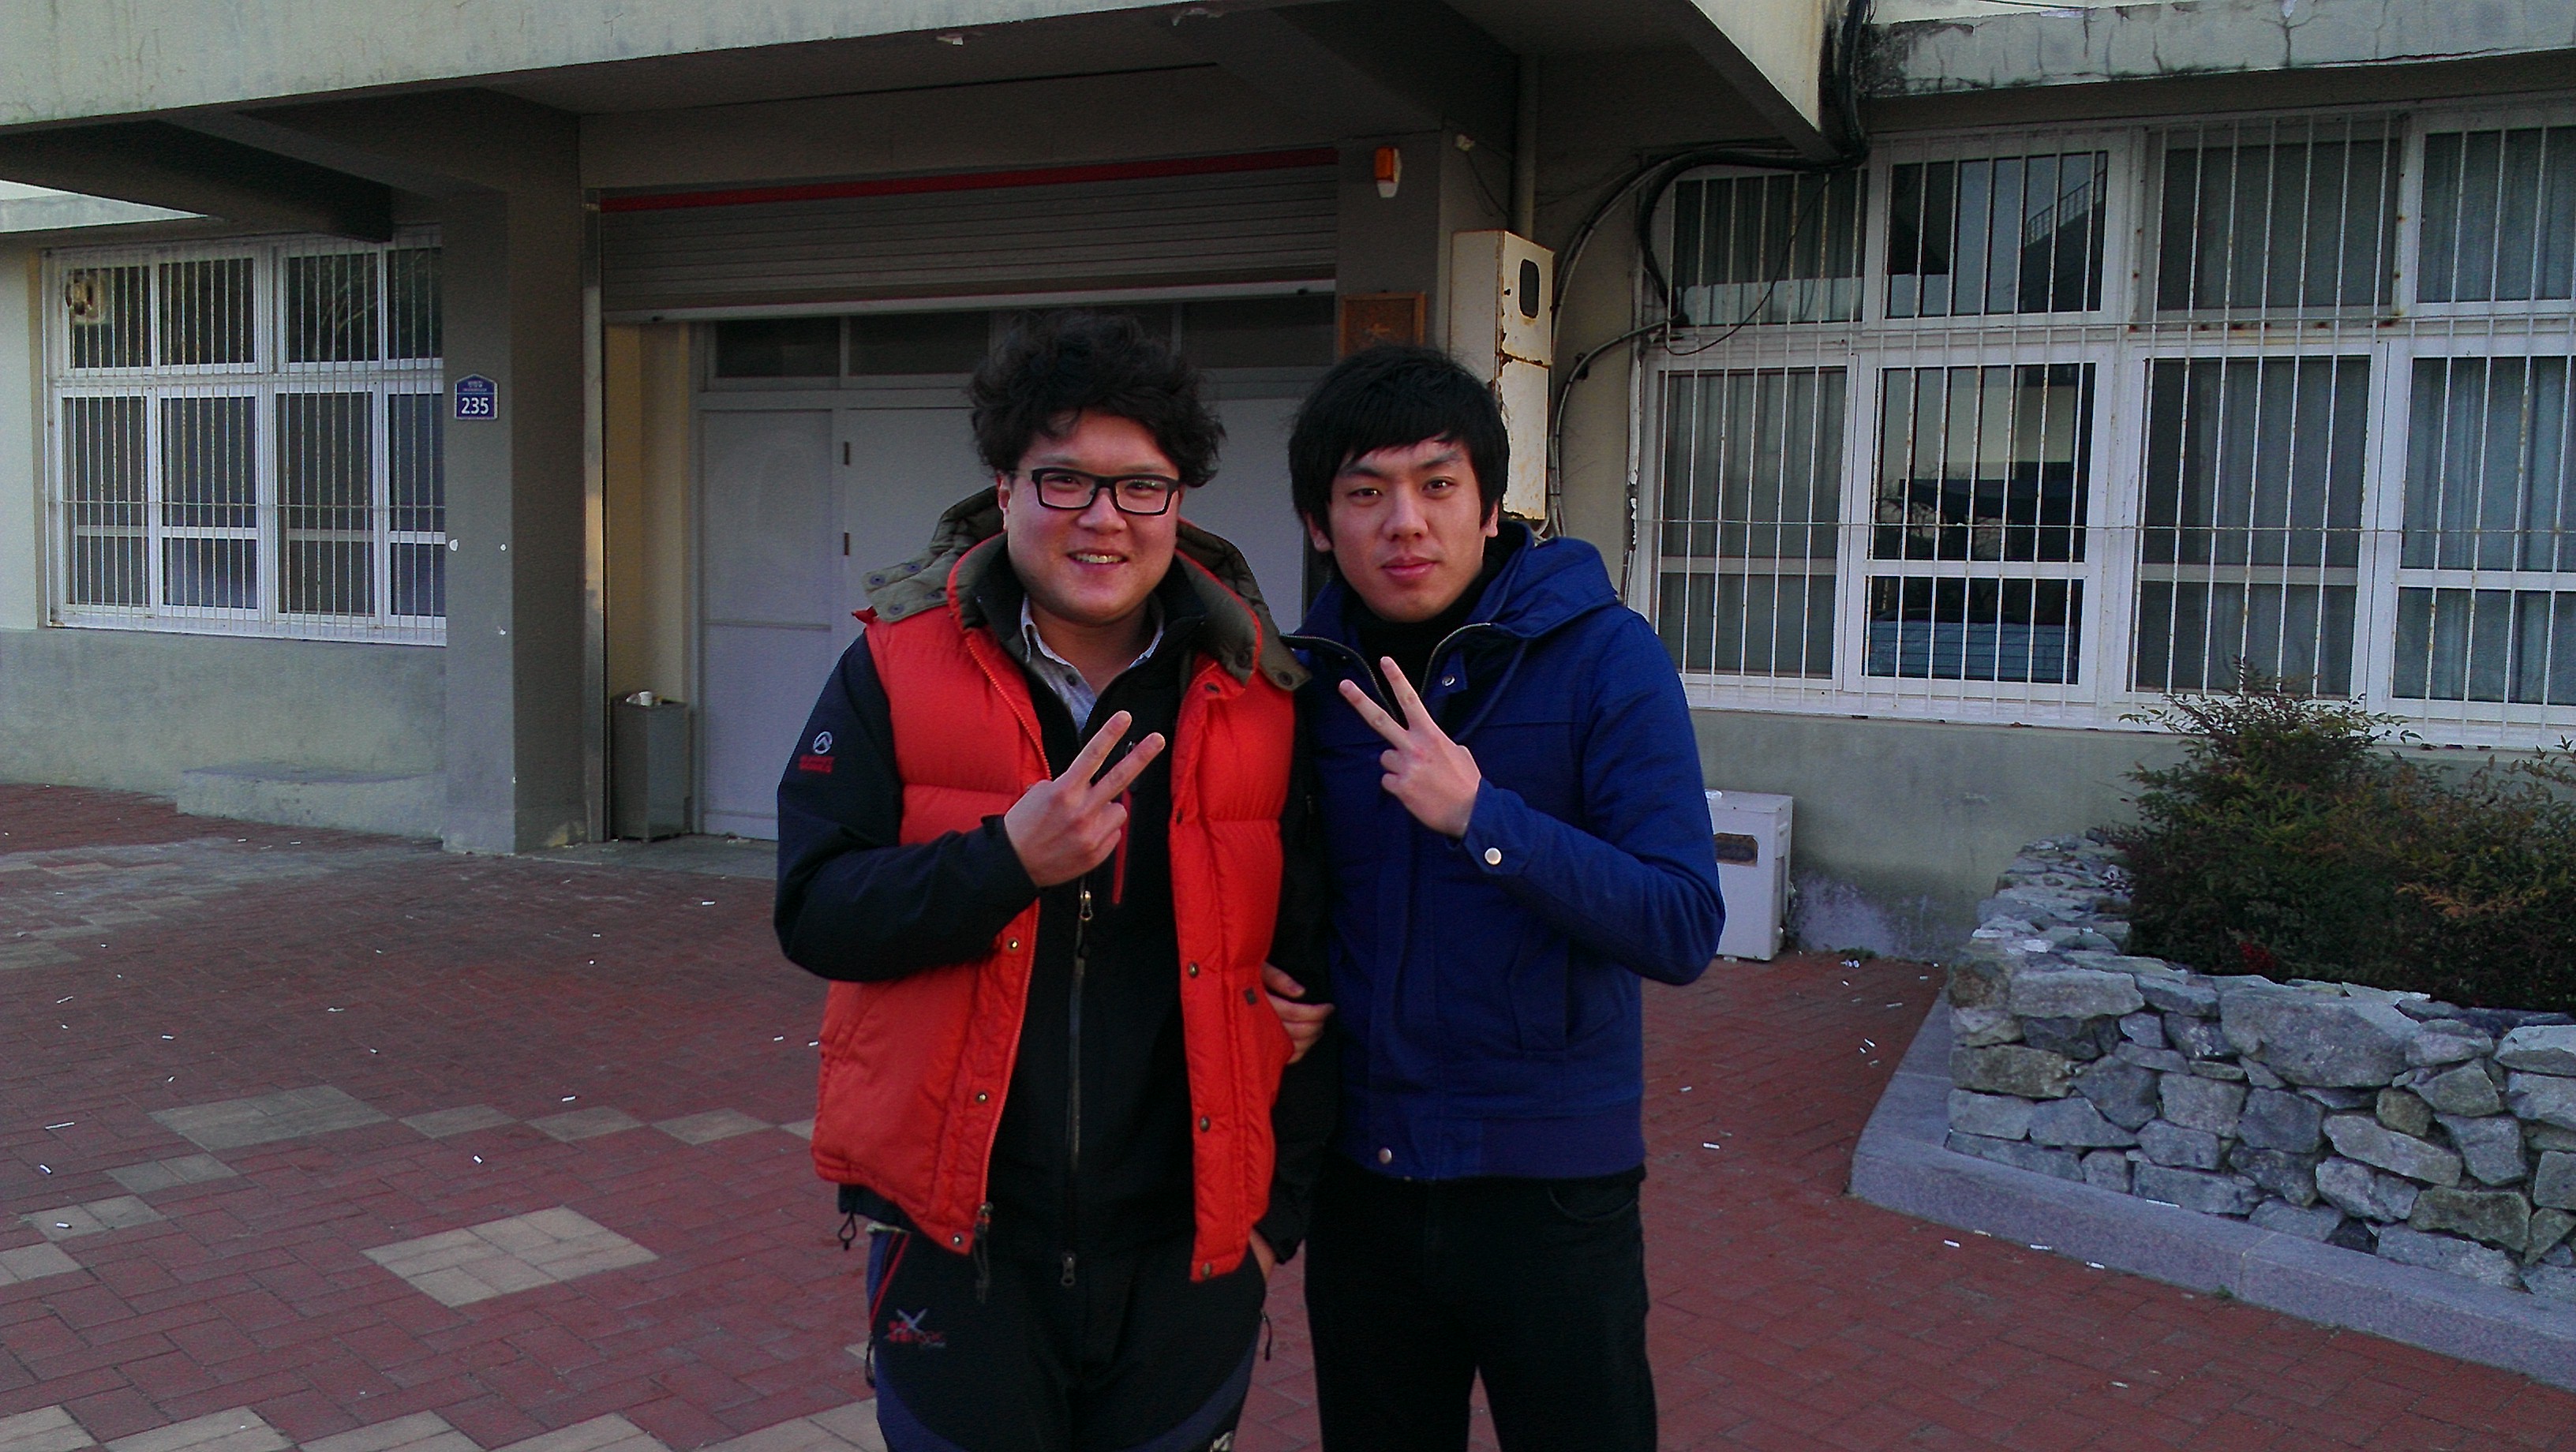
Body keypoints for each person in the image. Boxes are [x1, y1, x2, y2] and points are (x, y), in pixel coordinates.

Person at [773, 311, 1332, 1452]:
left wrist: (1273, 1222)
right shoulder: (892, 666)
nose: (1103, 519)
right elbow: (816, 911)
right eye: (1064, 480)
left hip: (1185, 1255)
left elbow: (1318, 972)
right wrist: (1003, 863)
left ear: (1179, 502)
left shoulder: (1258, 694)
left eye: (1141, 488)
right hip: (960, 1243)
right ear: (1005, 485)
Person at [1282, 345, 1726, 1452]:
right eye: (1365, 493)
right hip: (1366, 1182)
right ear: (1318, 523)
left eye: (1438, 485)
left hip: (1551, 1188)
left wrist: (1485, 818)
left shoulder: (1605, 658)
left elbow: (1680, 923)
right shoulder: (1300, 682)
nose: (1405, 524)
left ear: (1490, 509)